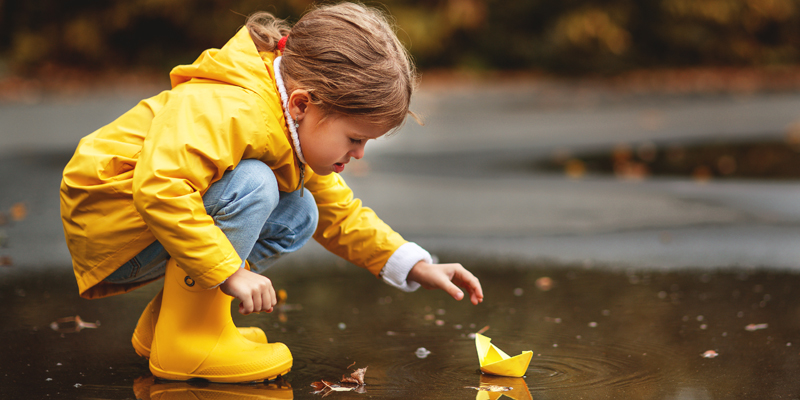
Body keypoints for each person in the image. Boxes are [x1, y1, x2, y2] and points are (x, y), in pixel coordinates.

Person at [60, 2, 483, 383]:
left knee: (302, 211)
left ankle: (171, 325)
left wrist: (413, 264)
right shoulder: (235, 108)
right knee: (255, 184)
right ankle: (187, 341)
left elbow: (340, 212)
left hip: (145, 218)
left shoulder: (285, 120)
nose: (358, 153)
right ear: (302, 105)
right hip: (113, 222)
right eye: (355, 138)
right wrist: (229, 272)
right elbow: (160, 187)